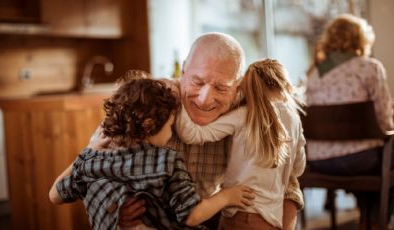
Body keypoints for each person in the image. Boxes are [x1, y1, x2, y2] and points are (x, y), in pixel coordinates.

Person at [88, 32, 304, 230]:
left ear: (238, 88)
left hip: (207, 216)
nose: (204, 99)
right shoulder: (150, 101)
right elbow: (92, 166)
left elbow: (287, 179)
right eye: (197, 82)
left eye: (221, 88)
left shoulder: (247, 114)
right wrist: (114, 209)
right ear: (183, 71)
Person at [49, 76, 255, 230]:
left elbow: (55, 195)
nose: (171, 133)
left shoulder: (93, 161)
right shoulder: (166, 162)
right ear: (149, 125)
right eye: (170, 126)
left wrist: (88, 152)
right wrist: (227, 197)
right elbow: (191, 215)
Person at [176, 59, 306, 229]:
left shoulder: (243, 115)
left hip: (236, 212)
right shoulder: (295, 119)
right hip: (270, 219)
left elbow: (191, 134)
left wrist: (179, 97)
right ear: (285, 84)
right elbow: (298, 169)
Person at [305, 14, 394, 229]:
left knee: (377, 155)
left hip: (319, 161)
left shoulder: (314, 75)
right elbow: (385, 122)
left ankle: (367, 220)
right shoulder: (369, 68)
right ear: (361, 40)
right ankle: (377, 223)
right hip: (359, 161)